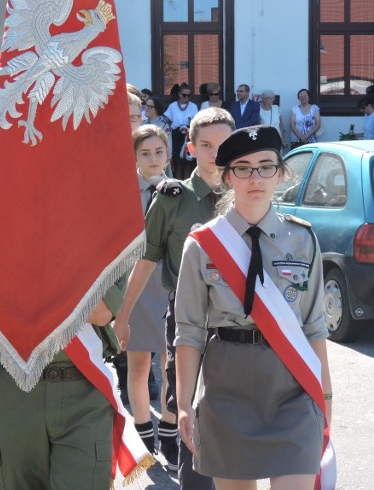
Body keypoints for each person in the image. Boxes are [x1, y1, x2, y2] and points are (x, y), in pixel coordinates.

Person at [175, 125, 332, 489]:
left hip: (292, 387)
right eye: (243, 168)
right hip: (227, 388)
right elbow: (190, 330)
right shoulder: (202, 245)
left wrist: (325, 396)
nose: (255, 177)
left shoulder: (303, 237)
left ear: (280, 173)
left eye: (266, 166)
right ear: (228, 177)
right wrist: (184, 402)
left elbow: (314, 327)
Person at [114, 107, 235, 487]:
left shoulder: (248, 197)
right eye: (206, 145)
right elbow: (147, 260)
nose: (216, 154)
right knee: (190, 420)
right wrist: (123, 314)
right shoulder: (172, 198)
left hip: (238, 330)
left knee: (232, 430)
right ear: (191, 147)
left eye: (224, 145)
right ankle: (161, 444)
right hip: (186, 323)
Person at [0, 222, 125, 489]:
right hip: (16, 391)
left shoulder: (100, 219)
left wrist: (29, 271)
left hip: (83, 391)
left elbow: (103, 310)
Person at [127, 125, 174, 456]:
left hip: (170, 284)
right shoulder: (122, 192)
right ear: (134, 156)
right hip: (135, 285)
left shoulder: (180, 192)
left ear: (169, 154)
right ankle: (144, 435)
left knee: (171, 365)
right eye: (145, 153)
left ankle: (170, 434)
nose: (153, 159)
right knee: (139, 365)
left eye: (159, 152)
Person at [163, 83, 198, 179]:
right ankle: (178, 185)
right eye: (184, 95)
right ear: (179, 94)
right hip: (177, 135)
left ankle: (187, 184)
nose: (186, 97)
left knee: (188, 161)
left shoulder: (193, 106)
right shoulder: (172, 106)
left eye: (189, 95)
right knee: (178, 161)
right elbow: (167, 120)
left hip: (188, 135)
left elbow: (196, 121)